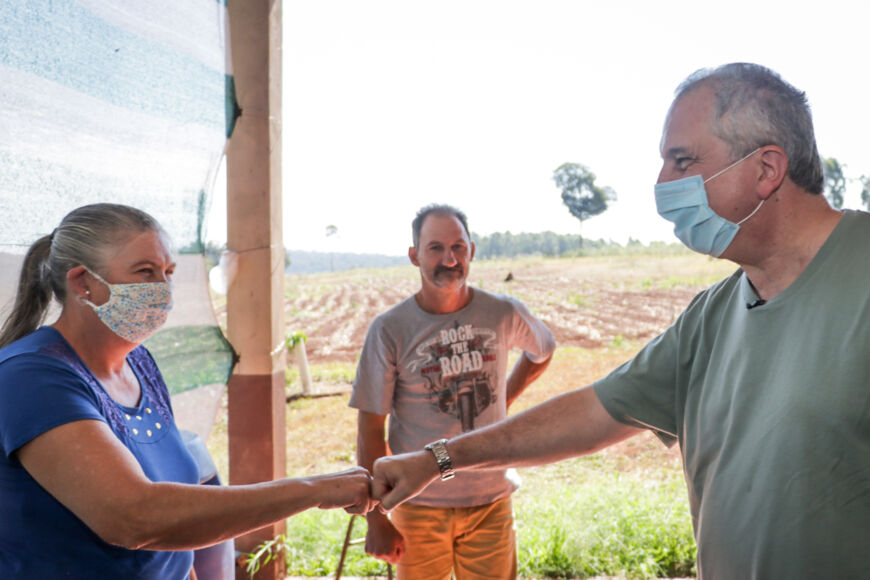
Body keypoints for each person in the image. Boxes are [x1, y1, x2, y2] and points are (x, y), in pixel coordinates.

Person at [371, 63, 870, 579]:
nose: (662, 183)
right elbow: (595, 413)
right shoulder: (712, 317)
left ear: (766, 169)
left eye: (682, 160)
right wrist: (435, 460)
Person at [0, 203, 376, 579]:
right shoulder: (32, 377)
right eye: (145, 272)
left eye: (168, 273)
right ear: (83, 282)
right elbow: (135, 518)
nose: (162, 289)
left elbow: (171, 525)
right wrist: (313, 489)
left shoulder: (138, 363)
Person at [350, 204, 555, 578]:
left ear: (471, 251)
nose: (450, 259)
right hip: (417, 502)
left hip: (490, 500)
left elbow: (542, 350)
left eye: (458, 247)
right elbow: (370, 430)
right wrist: (376, 519)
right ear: (414, 256)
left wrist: (504, 398)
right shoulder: (390, 329)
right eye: (436, 248)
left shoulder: (502, 312)